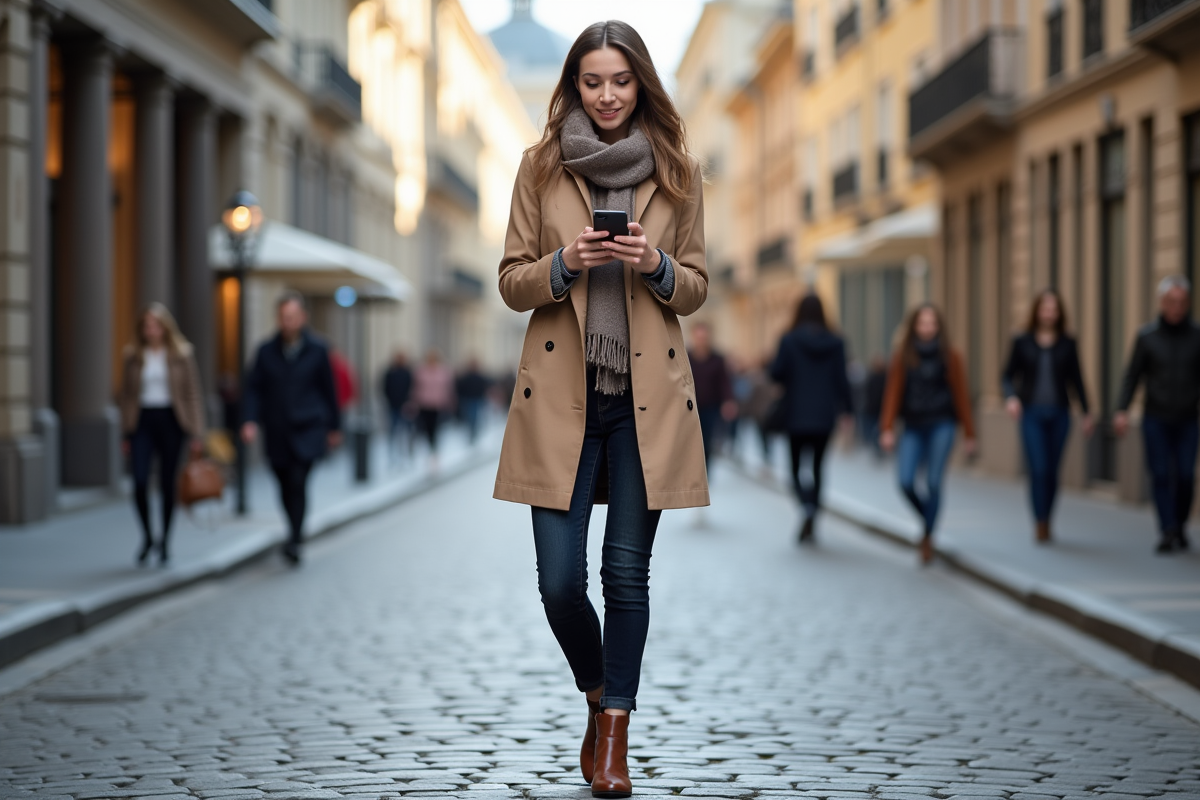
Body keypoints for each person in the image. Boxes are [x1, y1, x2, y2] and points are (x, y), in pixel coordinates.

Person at [492, 20, 707, 798]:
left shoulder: (679, 173)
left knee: (626, 575)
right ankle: (596, 692)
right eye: (593, 81)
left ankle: (615, 733)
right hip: (561, 398)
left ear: (640, 82)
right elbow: (511, 279)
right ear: (573, 86)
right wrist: (562, 263)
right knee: (557, 583)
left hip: (643, 404)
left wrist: (654, 264)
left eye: (620, 80)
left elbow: (697, 285)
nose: (608, 95)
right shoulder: (541, 167)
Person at [241, 292, 342, 566]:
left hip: (308, 427)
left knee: (298, 481)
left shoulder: (318, 349)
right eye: (284, 317)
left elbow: (329, 390)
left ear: (303, 318)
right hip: (277, 429)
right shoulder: (265, 351)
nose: (288, 322)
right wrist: (249, 420)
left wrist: (334, 426)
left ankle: (295, 539)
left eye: (293, 317)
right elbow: (253, 390)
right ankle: (293, 530)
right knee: (284, 484)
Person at [879, 304, 976, 565]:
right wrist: (886, 428)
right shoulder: (903, 355)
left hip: (942, 424)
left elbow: (961, 395)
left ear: (938, 327)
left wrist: (970, 433)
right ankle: (928, 518)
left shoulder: (950, 355)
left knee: (934, 482)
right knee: (905, 481)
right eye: (922, 323)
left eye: (932, 323)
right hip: (912, 425)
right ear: (914, 326)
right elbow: (892, 393)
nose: (927, 328)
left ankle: (927, 538)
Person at [1114, 275, 1200, 554]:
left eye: (1181, 302)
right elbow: (1132, 376)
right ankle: (1167, 529)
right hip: (1155, 418)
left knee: (1186, 474)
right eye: (1171, 302)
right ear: (1162, 303)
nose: (1176, 307)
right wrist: (1122, 410)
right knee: (1161, 473)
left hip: (1188, 418)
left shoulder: (1197, 336)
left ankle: (1180, 523)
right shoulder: (1147, 337)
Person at [1001, 289, 1093, 544]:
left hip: (1059, 413)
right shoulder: (1022, 341)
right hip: (1031, 413)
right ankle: (1040, 520)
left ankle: (1048, 517)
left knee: (1052, 470)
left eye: (1054, 310)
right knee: (1038, 468)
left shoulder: (1067, 343)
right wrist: (1011, 398)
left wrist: (1087, 412)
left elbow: (1077, 379)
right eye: (1045, 309)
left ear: (1059, 313)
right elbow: (1007, 375)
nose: (1049, 314)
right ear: (1037, 311)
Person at [118, 303, 205, 566]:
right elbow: (126, 395)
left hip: (171, 420)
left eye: (156, 325)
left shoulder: (182, 353)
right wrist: (125, 431)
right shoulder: (133, 355)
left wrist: (196, 432)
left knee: (168, 483)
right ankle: (147, 536)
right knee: (141, 482)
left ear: (165, 328)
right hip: (142, 421)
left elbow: (192, 393)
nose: (151, 330)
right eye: (147, 326)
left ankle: (165, 540)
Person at [770, 294, 852, 544]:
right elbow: (842, 379)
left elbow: (776, 373)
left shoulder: (789, 339)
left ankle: (805, 506)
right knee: (817, 467)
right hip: (824, 415)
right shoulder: (836, 342)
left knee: (795, 469)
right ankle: (813, 513)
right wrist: (847, 412)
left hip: (796, 414)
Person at [688, 322, 737, 467]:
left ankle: (705, 472)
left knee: (707, 441)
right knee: (691, 442)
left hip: (711, 407)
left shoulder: (717, 359)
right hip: (690, 407)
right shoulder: (686, 357)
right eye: (698, 337)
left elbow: (724, 381)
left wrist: (728, 401)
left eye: (704, 337)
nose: (701, 340)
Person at [412, 349, 456, 467]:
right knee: (426, 429)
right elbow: (416, 388)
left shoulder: (443, 371)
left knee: (436, 429)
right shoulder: (421, 371)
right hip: (424, 404)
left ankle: (434, 453)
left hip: (438, 405)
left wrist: (449, 401)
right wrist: (414, 401)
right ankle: (429, 450)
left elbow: (448, 388)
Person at [382, 351, 414, 460]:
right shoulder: (390, 372)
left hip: (406, 406)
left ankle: (407, 455)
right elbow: (385, 388)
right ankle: (393, 455)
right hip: (393, 405)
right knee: (393, 430)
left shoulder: (408, 372)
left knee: (407, 431)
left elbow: (412, 388)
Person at [455, 358, 491, 444]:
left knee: (473, 417)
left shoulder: (473, 377)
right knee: (472, 417)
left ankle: (473, 431)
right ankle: (472, 431)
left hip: (474, 399)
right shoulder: (469, 377)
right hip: (470, 399)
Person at [862, 356, 887, 458]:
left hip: (878, 409)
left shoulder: (883, 377)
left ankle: (878, 447)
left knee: (876, 430)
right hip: (876, 409)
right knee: (877, 430)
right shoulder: (879, 377)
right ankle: (878, 447)